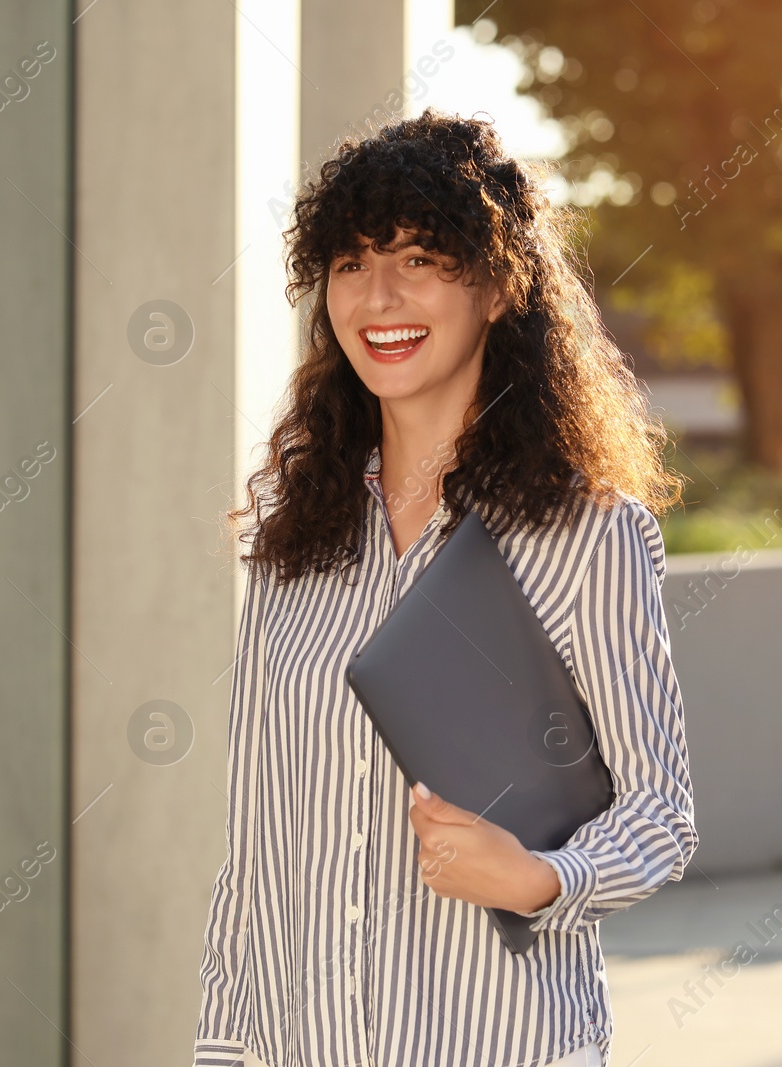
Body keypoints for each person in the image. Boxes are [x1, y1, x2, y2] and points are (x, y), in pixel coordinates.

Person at [198, 108, 698, 1067]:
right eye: (350, 263)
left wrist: (541, 878)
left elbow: (660, 815)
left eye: (419, 257)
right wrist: (223, 1052)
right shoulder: (292, 546)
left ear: (501, 287)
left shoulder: (587, 535)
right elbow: (255, 855)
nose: (378, 296)